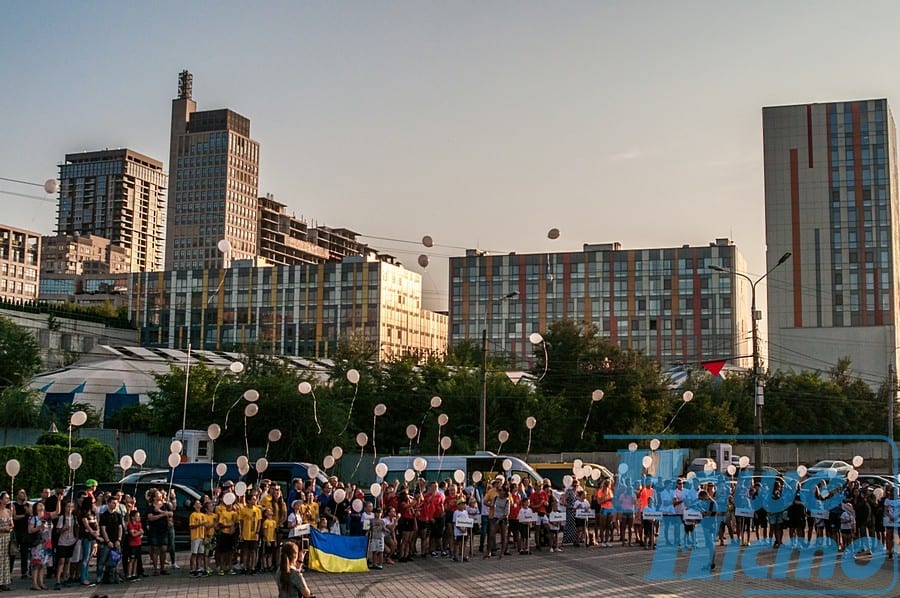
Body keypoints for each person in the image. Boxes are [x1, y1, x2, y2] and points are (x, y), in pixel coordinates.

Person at [98, 495, 124, 584]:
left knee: (117, 560)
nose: (115, 505)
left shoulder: (118, 515)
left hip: (116, 541)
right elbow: (103, 529)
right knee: (103, 560)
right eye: (113, 503)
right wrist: (108, 541)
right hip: (107, 542)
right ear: (108, 503)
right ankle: (100, 577)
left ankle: (116, 576)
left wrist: (119, 539)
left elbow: (120, 528)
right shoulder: (104, 515)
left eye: (116, 503)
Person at [28, 501, 53, 590]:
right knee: (36, 564)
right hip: (37, 544)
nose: (42, 505)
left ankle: (41, 582)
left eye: (42, 505)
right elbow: (30, 530)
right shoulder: (33, 518)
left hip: (46, 543)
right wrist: (39, 527)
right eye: (39, 505)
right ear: (36, 508)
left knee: (43, 564)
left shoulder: (46, 518)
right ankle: (34, 583)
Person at [54, 500, 78, 590]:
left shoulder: (74, 517)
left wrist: (76, 538)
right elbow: (58, 530)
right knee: (61, 561)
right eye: (68, 506)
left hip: (71, 541)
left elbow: (76, 528)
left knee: (68, 560)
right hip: (62, 541)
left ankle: (65, 578)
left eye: (71, 507)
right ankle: (58, 580)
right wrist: (63, 529)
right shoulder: (62, 517)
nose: (70, 509)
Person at [189, 499, 206, 577]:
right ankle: (192, 569)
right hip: (195, 536)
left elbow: (205, 525)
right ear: (194, 506)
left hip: (201, 536)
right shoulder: (193, 515)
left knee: (200, 553)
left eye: (199, 503)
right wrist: (200, 524)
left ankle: (198, 568)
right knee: (194, 553)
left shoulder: (203, 515)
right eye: (197, 503)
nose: (199, 504)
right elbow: (191, 526)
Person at [0, 491, 13, 591]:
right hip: (0, 537)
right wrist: (3, 529)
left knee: (6, 560)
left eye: (8, 498)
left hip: (7, 538)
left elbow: (12, 524)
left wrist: (10, 527)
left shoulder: (9, 511)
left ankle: (4, 582)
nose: (7, 500)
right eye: (6, 498)